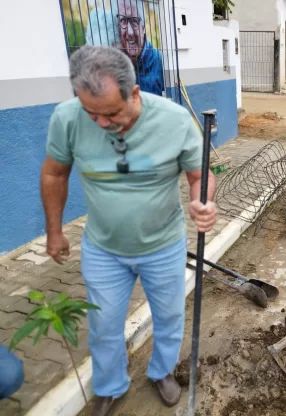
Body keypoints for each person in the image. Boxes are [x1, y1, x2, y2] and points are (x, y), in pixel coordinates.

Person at [41, 45, 217, 416]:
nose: (101, 123)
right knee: (103, 324)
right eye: (92, 113)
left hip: (164, 243)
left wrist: (202, 202)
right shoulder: (67, 118)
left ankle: (162, 371)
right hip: (103, 247)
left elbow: (200, 173)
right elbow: (54, 173)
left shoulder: (173, 119)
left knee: (168, 316)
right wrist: (54, 231)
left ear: (135, 93)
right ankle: (109, 385)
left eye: (111, 113)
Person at [112, 0, 164, 95]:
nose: (130, 32)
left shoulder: (159, 60)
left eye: (134, 21)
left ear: (143, 28)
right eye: (123, 21)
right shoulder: (112, 61)